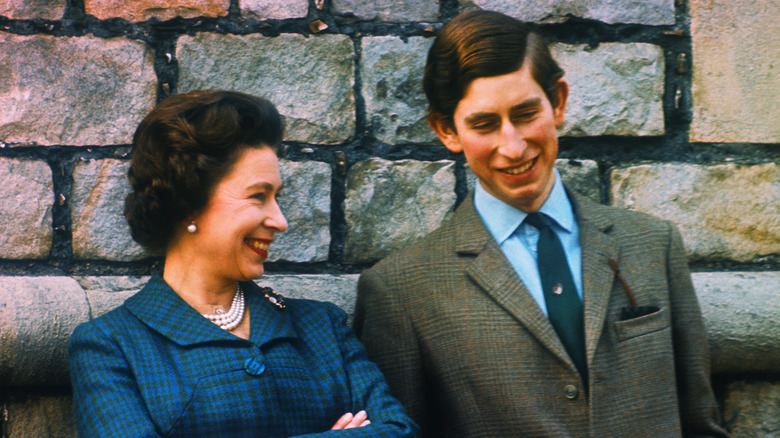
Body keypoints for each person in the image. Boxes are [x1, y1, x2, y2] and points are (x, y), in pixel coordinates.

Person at [353, 10, 729, 437]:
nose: (513, 147)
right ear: (447, 130)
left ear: (559, 102)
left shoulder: (653, 244)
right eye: (484, 124)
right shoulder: (401, 291)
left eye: (526, 114)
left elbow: (701, 423)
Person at [68, 90, 419, 437]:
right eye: (258, 196)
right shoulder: (111, 346)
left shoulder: (323, 326)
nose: (280, 221)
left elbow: (400, 431)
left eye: (276, 198)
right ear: (189, 200)